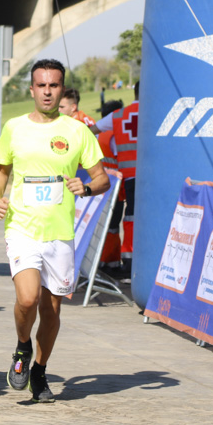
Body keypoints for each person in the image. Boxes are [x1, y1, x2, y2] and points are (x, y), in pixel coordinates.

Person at [0, 59, 110, 403]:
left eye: (54, 85)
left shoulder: (77, 131)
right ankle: (22, 347)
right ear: (32, 90)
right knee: (27, 298)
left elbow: (101, 177)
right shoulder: (14, 127)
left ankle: (39, 373)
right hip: (22, 227)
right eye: (41, 85)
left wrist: (86, 187)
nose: (47, 91)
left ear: (62, 90)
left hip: (59, 233)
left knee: (52, 310)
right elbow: (1, 169)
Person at [92, 81, 139, 280]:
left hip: (127, 176)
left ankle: (126, 259)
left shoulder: (120, 115)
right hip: (150, 177)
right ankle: (133, 260)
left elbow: (91, 130)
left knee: (128, 218)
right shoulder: (159, 111)